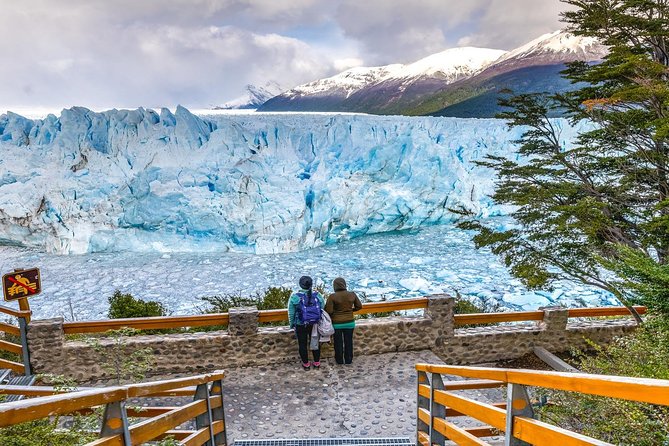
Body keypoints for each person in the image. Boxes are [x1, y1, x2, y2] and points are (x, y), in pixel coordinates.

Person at [288, 275, 325, 370]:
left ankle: (306, 364)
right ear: (311, 285)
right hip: (314, 323)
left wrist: (291, 324)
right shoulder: (317, 295)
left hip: (301, 324)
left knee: (302, 344)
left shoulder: (295, 296)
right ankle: (316, 362)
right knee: (315, 342)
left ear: (300, 285)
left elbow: (291, 312)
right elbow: (322, 307)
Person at [325, 277, 362, 365]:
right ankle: (349, 359)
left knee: (338, 343)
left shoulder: (332, 296)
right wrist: (351, 310)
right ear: (344, 284)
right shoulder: (352, 294)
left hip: (337, 324)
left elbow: (329, 311)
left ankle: (339, 360)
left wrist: (336, 313)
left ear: (335, 286)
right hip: (350, 322)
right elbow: (359, 306)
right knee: (348, 341)